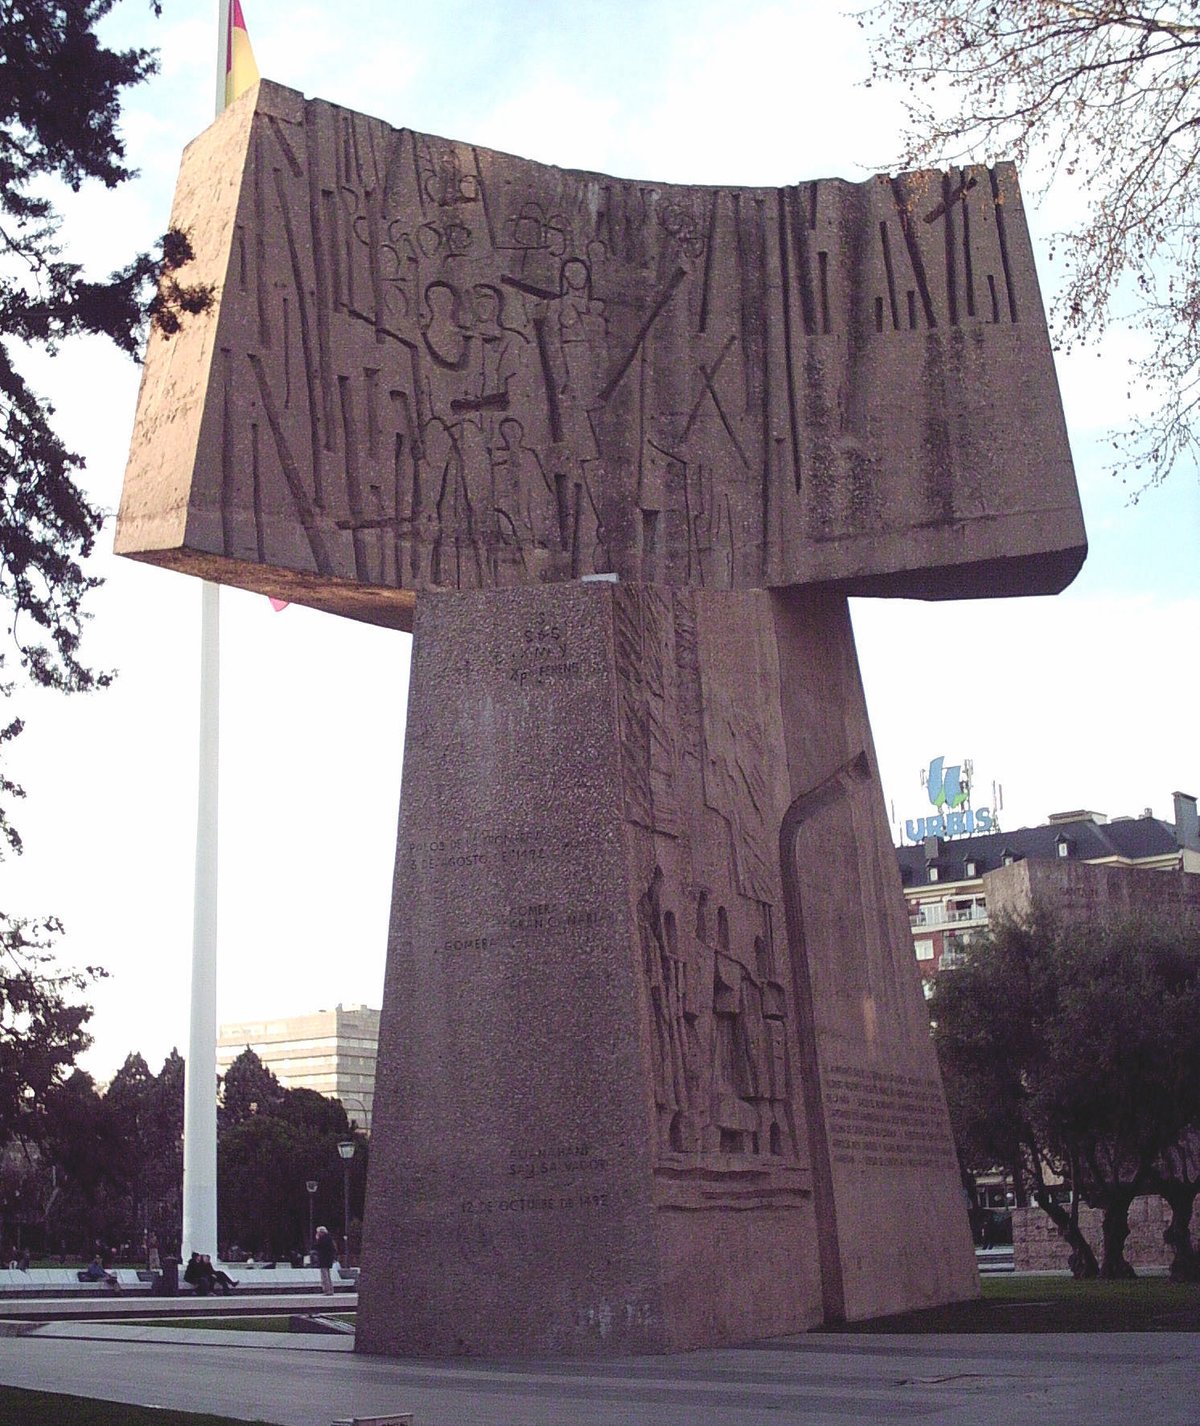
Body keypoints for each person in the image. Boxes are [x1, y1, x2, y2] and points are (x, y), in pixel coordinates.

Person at [313, 1225, 337, 1295]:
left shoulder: (322, 1239)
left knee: (324, 1276)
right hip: (329, 1260)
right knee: (328, 1276)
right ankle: (330, 1290)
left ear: (321, 1232)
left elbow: (317, 1247)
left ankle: (327, 1290)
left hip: (323, 1259)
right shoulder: (329, 1238)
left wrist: (317, 1239)